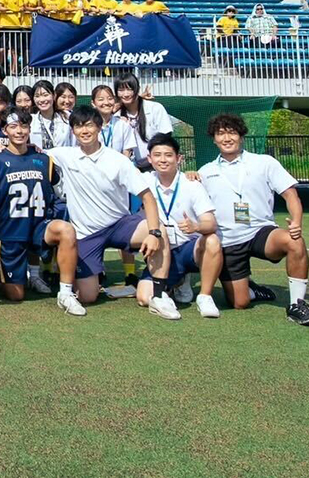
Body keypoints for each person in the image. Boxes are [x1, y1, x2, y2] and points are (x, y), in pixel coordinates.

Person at [43, 106, 178, 318]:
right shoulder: (64, 155)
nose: (84, 130)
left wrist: (154, 234)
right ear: (72, 131)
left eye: (88, 125)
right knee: (87, 296)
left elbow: (148, 197)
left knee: (158, 229)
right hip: (86, 234)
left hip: (120, 225)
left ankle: (159, 295)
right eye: (78, 126)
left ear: (99, 127)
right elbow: (31, 149)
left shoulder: (118, 161)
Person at [197, 114, 309, 323]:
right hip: (228, 240)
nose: (227, 138)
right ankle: (252, 289)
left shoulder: (264, 162)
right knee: (240, 303)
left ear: (241, 136)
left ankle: (297, 305)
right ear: (214, 139)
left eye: (232, 132)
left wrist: (296, 222)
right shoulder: (205, 172)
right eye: (220, 133)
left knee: (294, 241)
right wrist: (189, 177)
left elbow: (290, 195)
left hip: (261, 232)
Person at [0, 109, 85, 315]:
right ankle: (1, 275)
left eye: (24, 126)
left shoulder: (43, 159)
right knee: (16, 295)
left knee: (66, 230)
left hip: (40, 227)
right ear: (4, 131)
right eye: (13, 127)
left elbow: (61, 193)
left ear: (30, 129)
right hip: (9, 232)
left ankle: (65, 293)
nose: (19, 131)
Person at [137, 134, 222, 319]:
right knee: (144, 298)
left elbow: (211, 223)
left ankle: (205, 296)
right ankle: (177, 282)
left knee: (212, 240)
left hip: (189, 248)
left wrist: (196, 226)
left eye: (168, 155)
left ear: (179, 158)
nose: (163, 160)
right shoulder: (144, 181)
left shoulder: (192, 185)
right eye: (157, 155)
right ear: (150, 159)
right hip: (162, 251)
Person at [114, 73, 172, 169]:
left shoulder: (155, 108)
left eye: (130, 89)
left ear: (137, 89)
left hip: (155, 166)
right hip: (128, 168)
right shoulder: (116, 116)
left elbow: (165, 136)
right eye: (121, 90)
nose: (126, 94)